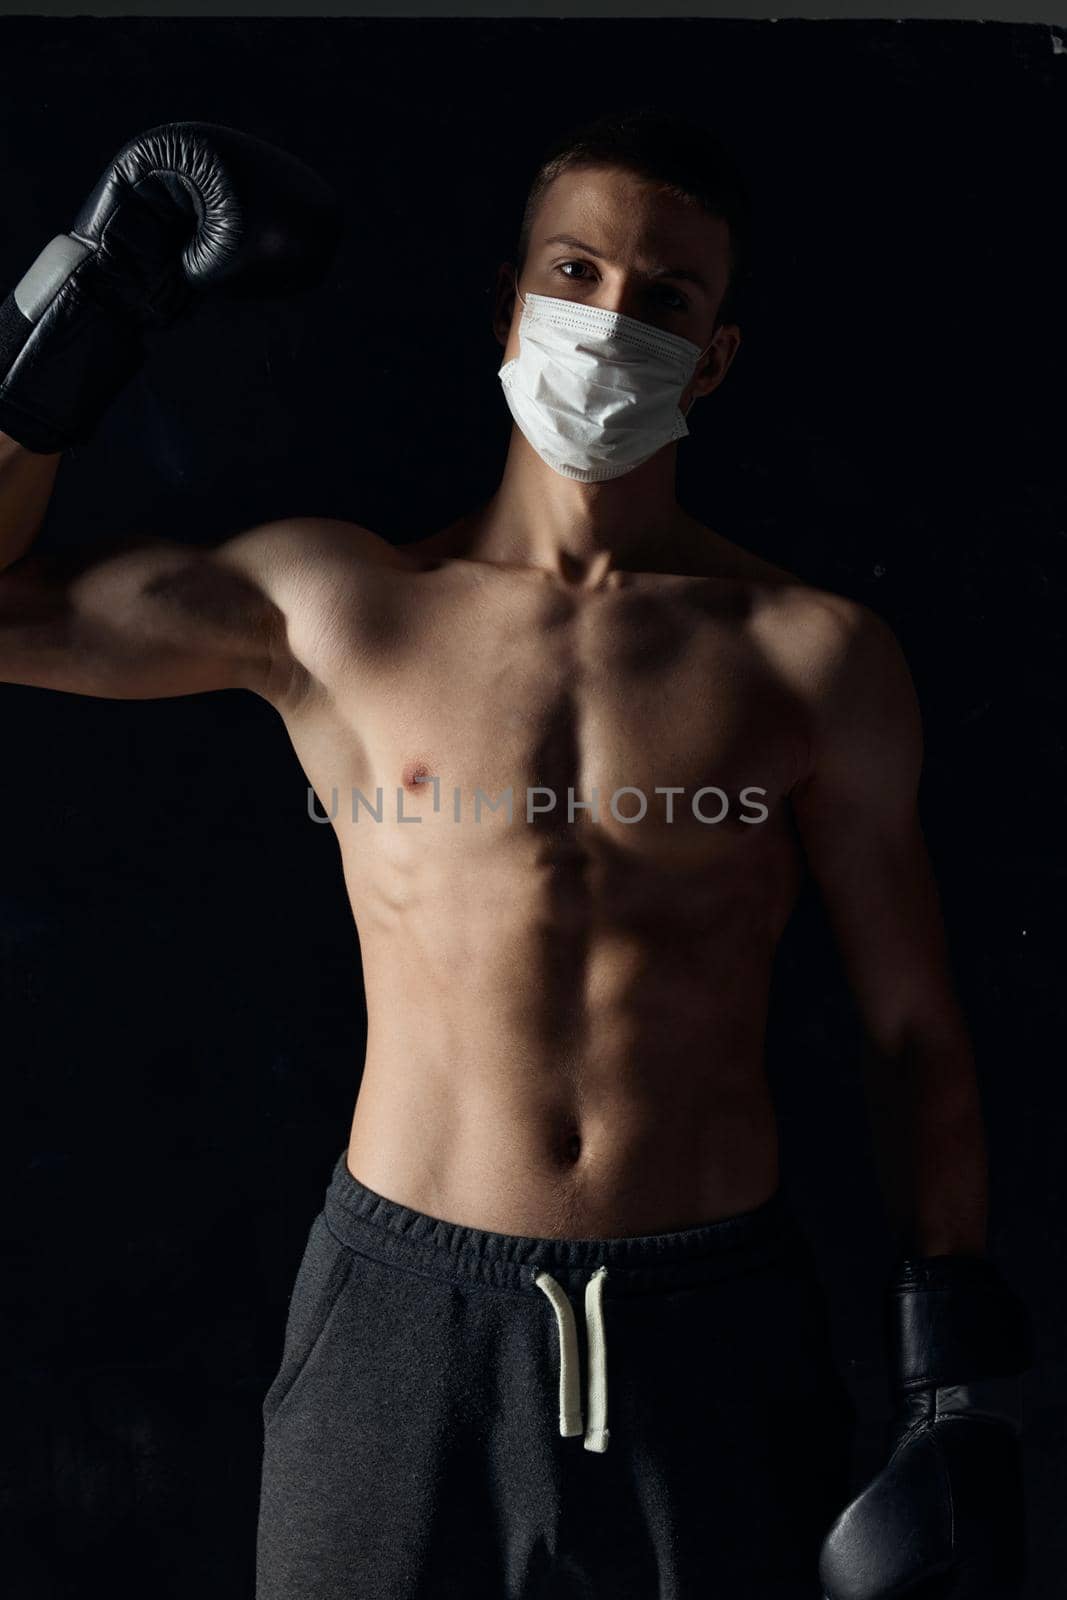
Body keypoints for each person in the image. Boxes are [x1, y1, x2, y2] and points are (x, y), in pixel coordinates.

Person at [0, 109, 1029, 1600]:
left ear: (717, 356)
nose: (611, 320)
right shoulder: (340, 609)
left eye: (663, 297)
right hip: (404, 1314)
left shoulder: (813, 660)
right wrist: (88, 293)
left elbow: (915, 1033)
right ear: (509, 303)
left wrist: (959, 1384)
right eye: (576, 270)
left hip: (715, 1324)